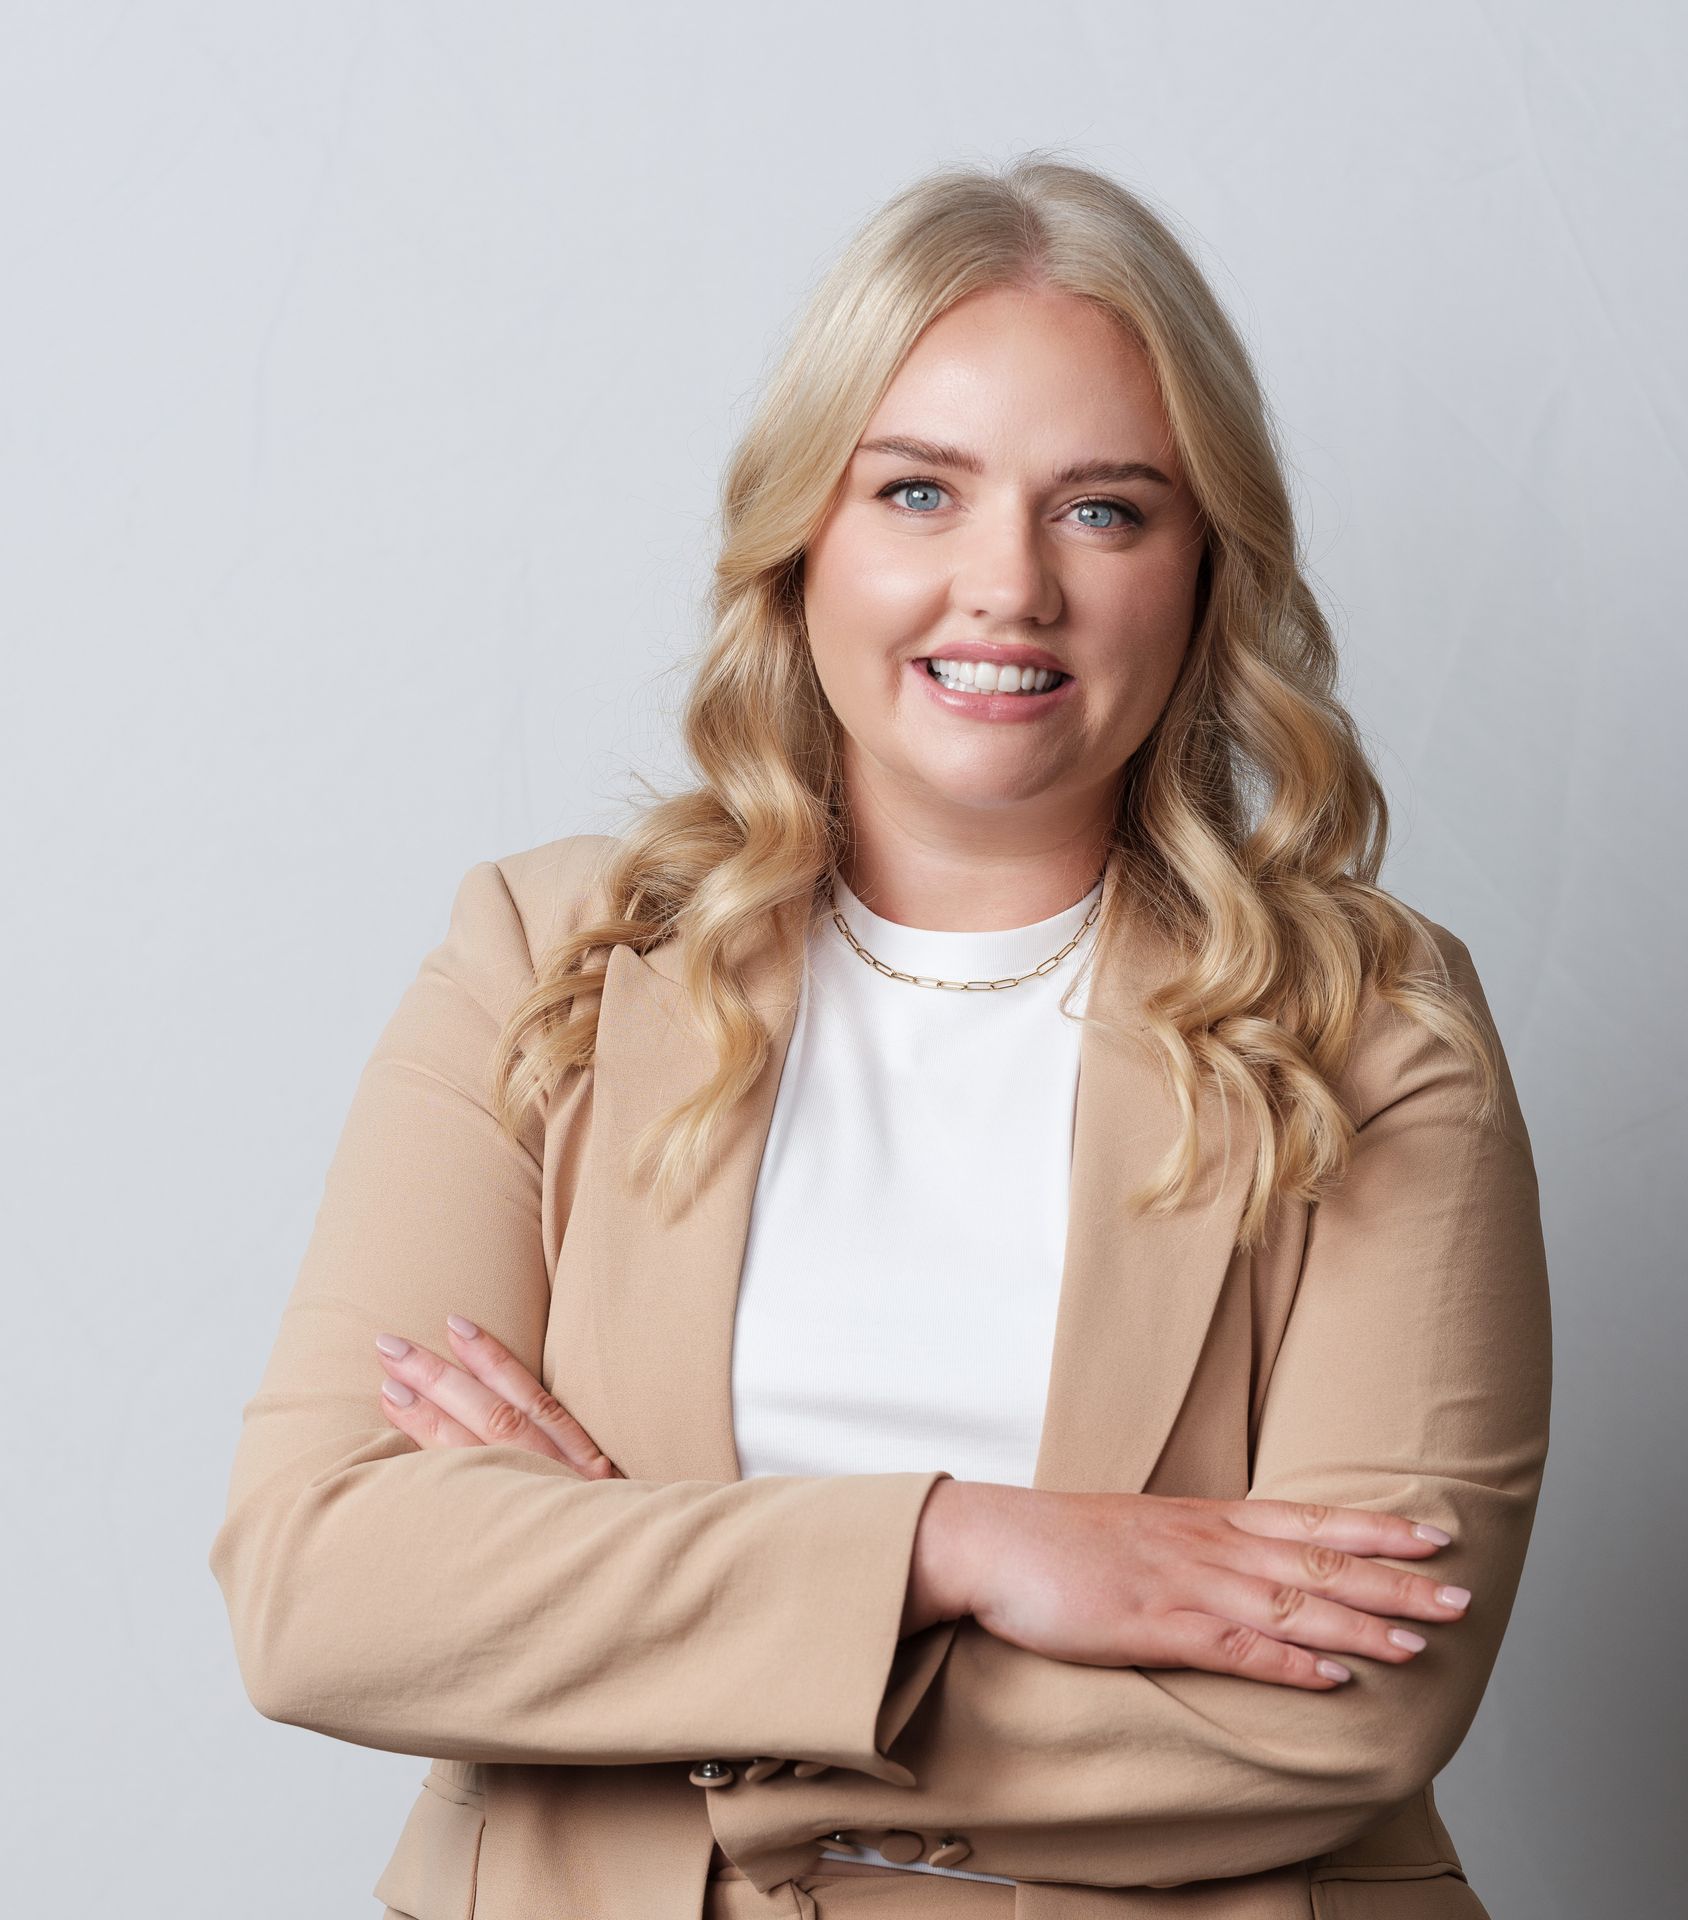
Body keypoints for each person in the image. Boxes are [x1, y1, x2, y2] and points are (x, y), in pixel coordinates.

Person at [210, 154, 1551, 1920]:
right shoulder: (549, 960)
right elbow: (320, 1588)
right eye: (919, 491)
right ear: (802, 544)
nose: (1009, 586)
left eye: (1105, 511)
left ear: (1202, 570)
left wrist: (647, 1650)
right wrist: (954, 1544)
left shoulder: (1368, 1033)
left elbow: (1352, 1703)